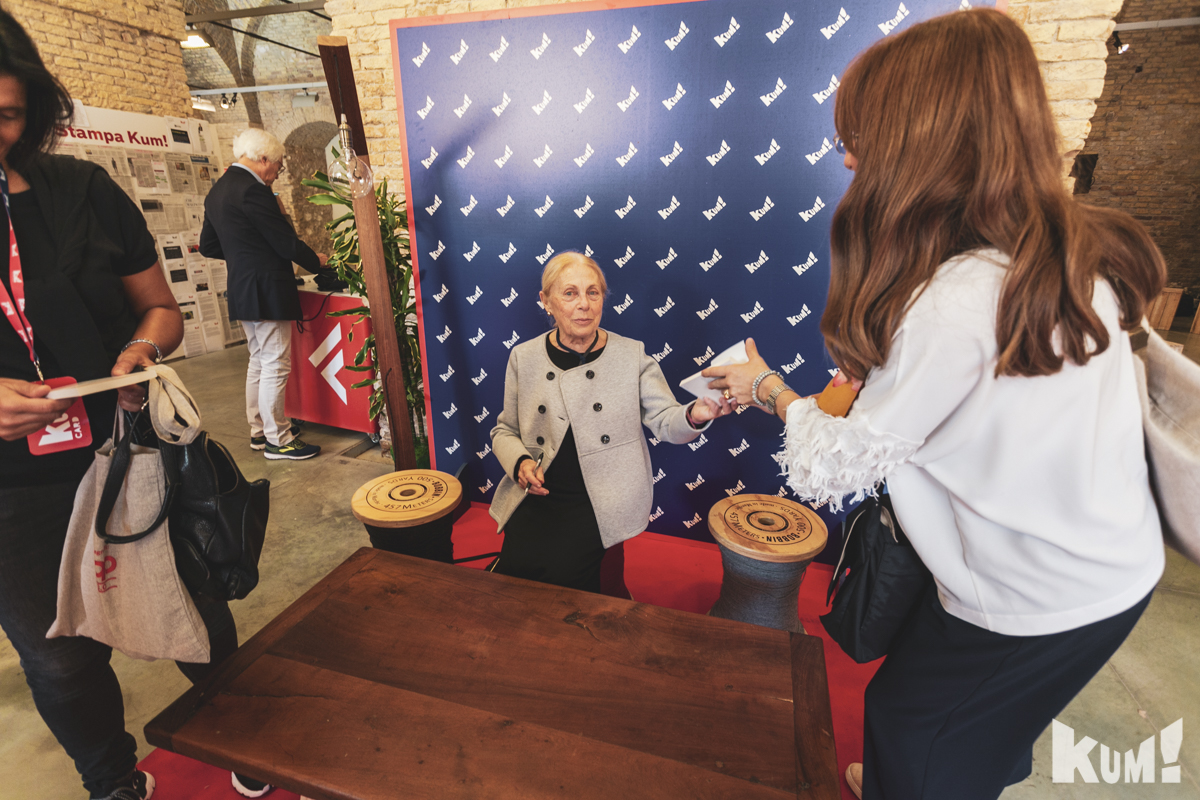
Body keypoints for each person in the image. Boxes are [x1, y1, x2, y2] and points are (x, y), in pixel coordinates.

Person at [703, 10, 1166, 800]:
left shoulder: (958, 300)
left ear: (924, 140)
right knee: (961, 727)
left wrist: (769, 388)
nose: (848, 157)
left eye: (860, 135)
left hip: (1035, 590)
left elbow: (827, 467)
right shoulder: (1057, 254)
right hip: (1100, 567)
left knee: (916, 732)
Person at [0, 10, 246, 799]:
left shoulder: (81, 191)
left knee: (192, 598)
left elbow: (161, 310)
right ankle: (111, 780)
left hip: (129, 448)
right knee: (59, 656)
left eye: (6, 115)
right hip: (11, 493)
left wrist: (144, 349)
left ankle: (246, 734)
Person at [489, 252, 731, 592]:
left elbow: (665, 420)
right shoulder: (523, 356)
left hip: (599, 502)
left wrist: (694, 414)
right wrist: (520, 464)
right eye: (570, 293)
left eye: (593, 292)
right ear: (546, 301)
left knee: (565, 585)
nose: (584, 304)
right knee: (515, 577)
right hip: (537, 495)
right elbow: (504, 431)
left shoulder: (631, 355)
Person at [199, 128, 326, 461]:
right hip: (267, 289)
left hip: (241, 288)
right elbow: (285, 242)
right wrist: (318, 262)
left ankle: (260, 431)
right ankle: (279, 440)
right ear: (264, 158)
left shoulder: (218, 190)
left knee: (258, 361)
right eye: (279, 165)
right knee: (275, 365)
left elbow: (208, 245)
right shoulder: (254, 191)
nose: (278, 172)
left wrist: (244, 253)